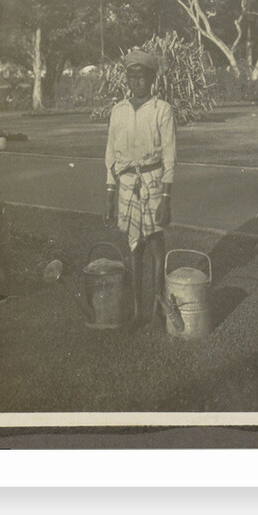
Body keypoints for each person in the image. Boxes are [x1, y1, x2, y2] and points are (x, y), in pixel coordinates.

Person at [103, 49, 176, 331]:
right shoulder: (118, 111)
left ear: (152, 78)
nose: (136, 81)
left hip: (153, 183)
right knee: (134, 248)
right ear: (126, 79)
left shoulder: (162, 110)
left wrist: (166, 199)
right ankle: (137, 311)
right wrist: (110, 195)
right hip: (126, 185)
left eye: (142, 76)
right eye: (131, 76)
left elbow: (169, 156)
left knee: (156, 245)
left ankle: (158, 310)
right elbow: (111, 156)